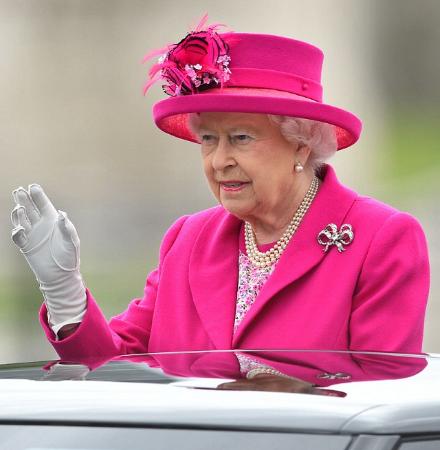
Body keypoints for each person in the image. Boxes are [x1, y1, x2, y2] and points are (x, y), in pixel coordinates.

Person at [10, 17, 430, 367]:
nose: (218, 160)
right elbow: (113, 371)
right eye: (209, 139)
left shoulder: (382, 239)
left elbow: (379, 399)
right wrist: (64, 292)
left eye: (241, 138)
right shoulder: (188, 240)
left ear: (301, 142)